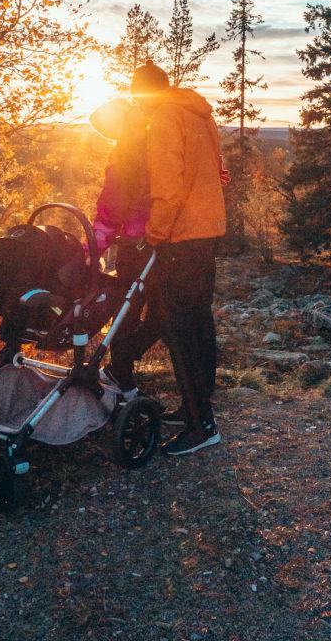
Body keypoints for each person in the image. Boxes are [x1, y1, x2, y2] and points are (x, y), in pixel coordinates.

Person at [131, 59, 227, 456]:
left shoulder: (165, 120)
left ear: (144, 94)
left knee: (180, 329)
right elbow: (219, 171)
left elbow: (168, 188)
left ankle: (201, 424)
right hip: (206, 233)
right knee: (199, 323)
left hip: (180, 238)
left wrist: (154, 235)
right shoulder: (198, 113)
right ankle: (197, 405)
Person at [89, 98, 163, 400]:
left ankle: (121, 370)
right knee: (152, 310)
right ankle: (122, 372)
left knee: (129, 308)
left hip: (137, 245)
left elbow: (110, 208)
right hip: (158, 240)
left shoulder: (126, 155)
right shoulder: (152, 146)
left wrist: (92, 247)